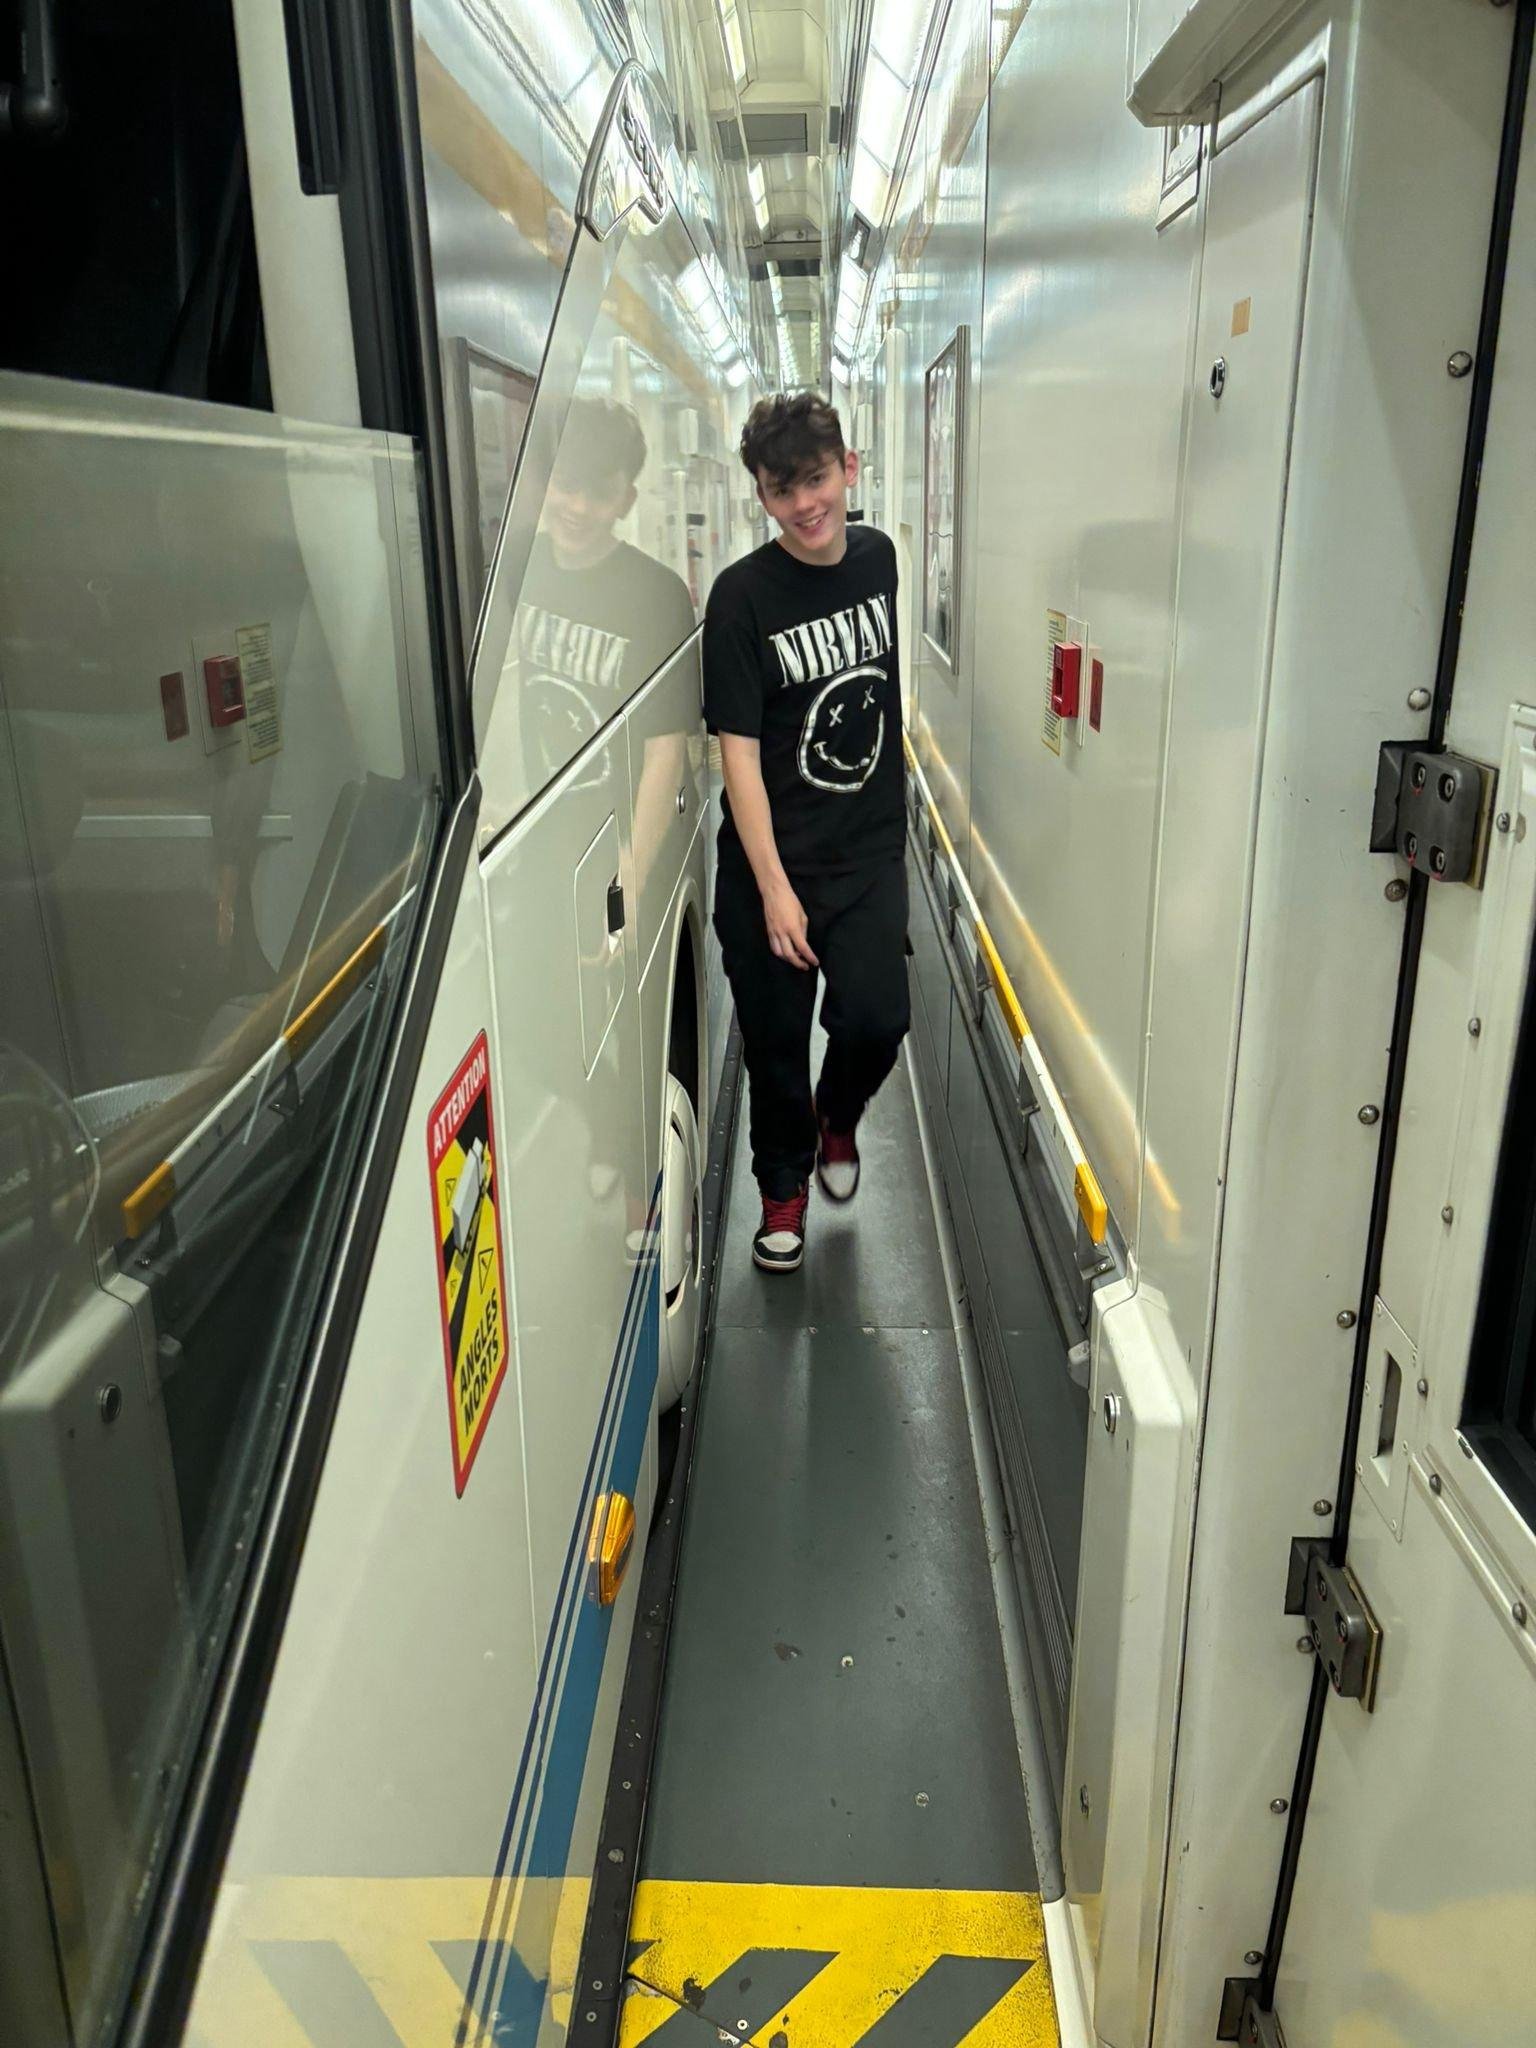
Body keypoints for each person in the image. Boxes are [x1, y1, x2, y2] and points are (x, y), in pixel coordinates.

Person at [704, 391, 908, 1274]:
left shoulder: (881, 559)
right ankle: (782, 1190)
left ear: (848, 469)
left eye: (817, 480)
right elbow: (739, 755)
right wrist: (774, 890)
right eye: (783, 490)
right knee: (775, 1042)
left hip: (866, 851)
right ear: (762, 494)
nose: (805, 504)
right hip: (771, 864)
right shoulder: (741, 598)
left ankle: (839, 1117)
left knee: (877, 1019)